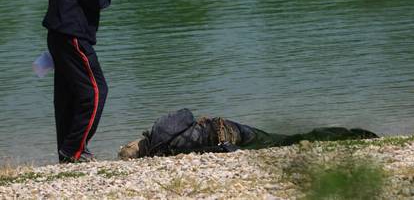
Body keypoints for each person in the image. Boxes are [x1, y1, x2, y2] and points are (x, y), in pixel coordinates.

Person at [43, 0, 112, 163]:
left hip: (57, 39)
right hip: (73, 40)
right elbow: (100, 1)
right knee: (96, 91)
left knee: (67, 97)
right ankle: (73, 149)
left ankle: (66, 152)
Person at [118, 109, 379, 159]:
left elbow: (202, 150)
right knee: (287, 140)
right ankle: (350, 134)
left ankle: (350, 135)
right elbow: (186, 114)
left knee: (285, 141)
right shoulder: (162, 132)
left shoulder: (165, 150)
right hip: (227, 128)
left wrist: (228, 151)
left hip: (227, 135)